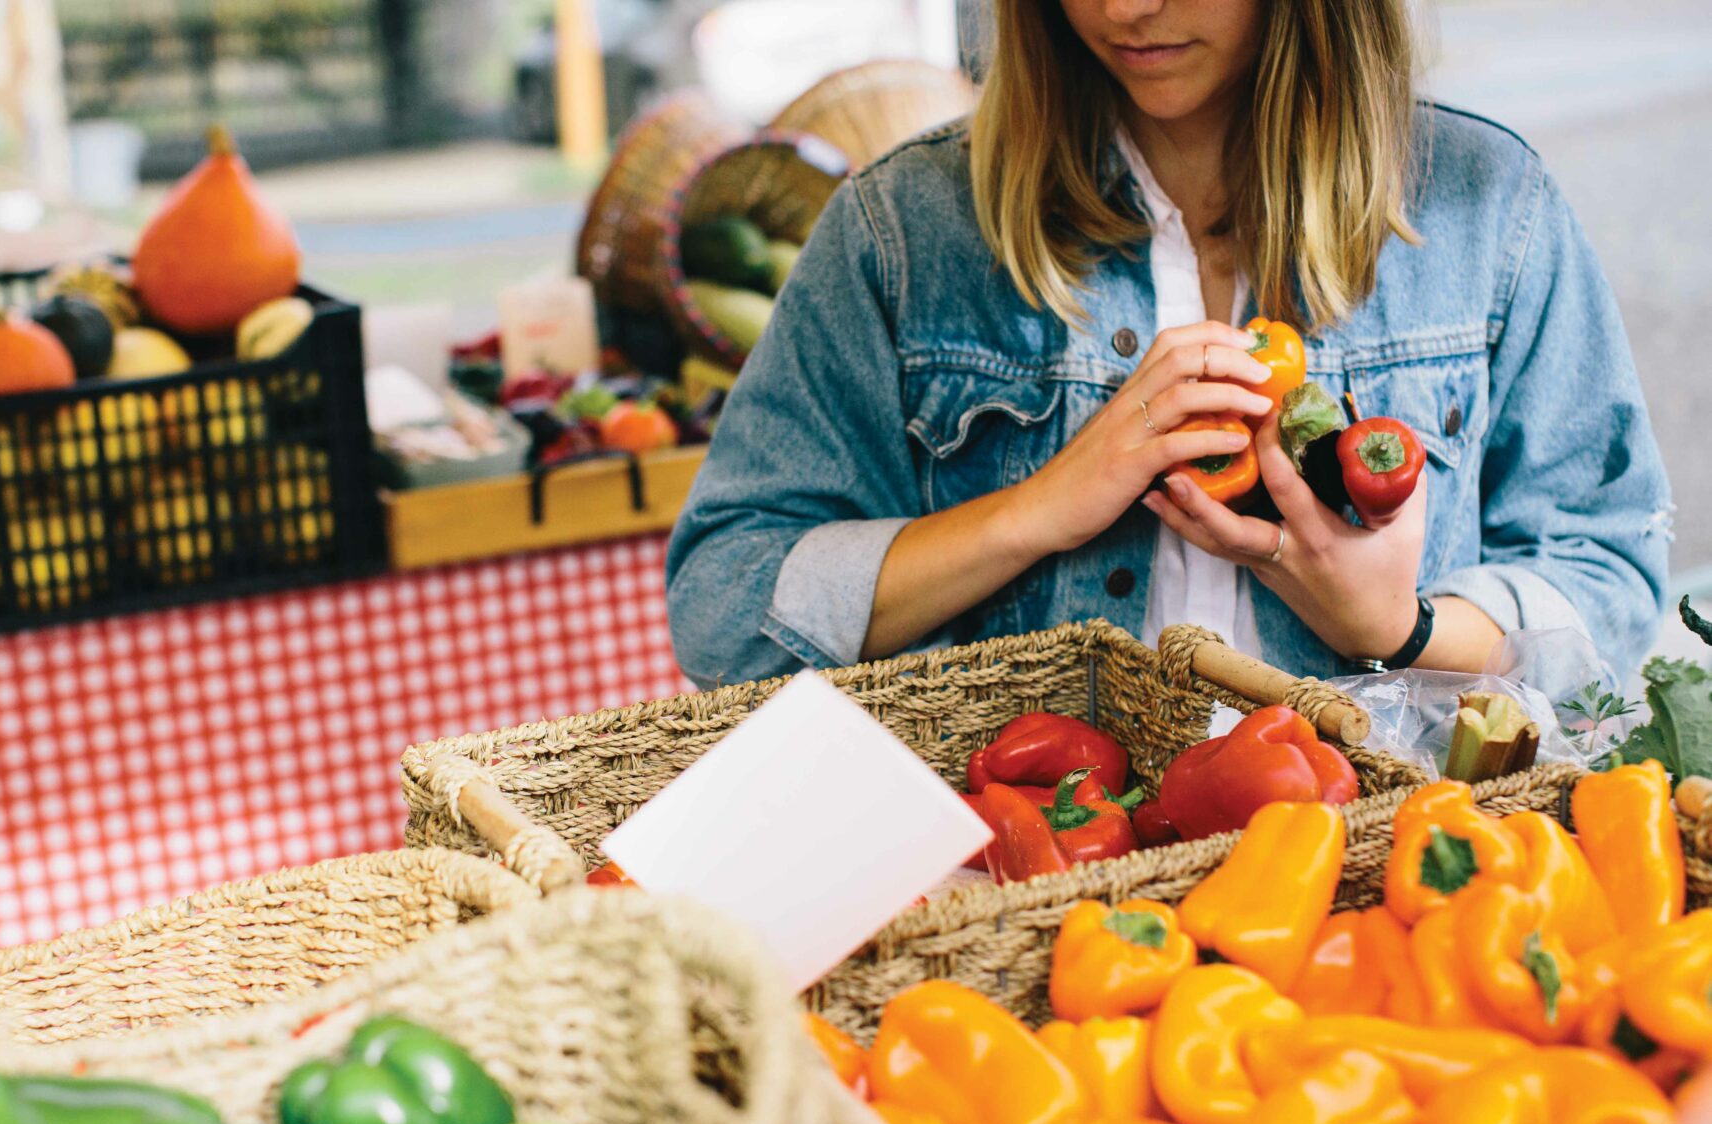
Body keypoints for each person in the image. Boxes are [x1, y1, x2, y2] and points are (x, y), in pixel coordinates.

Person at [666, 0, 1671, 690]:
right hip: (1027, 884)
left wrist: (1393, 627)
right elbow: (725, 602)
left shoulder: (1489, 207)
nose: (1125, 6)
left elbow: (1612, 583)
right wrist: (1033, 511)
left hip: (1381, 882)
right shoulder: (903, 231)